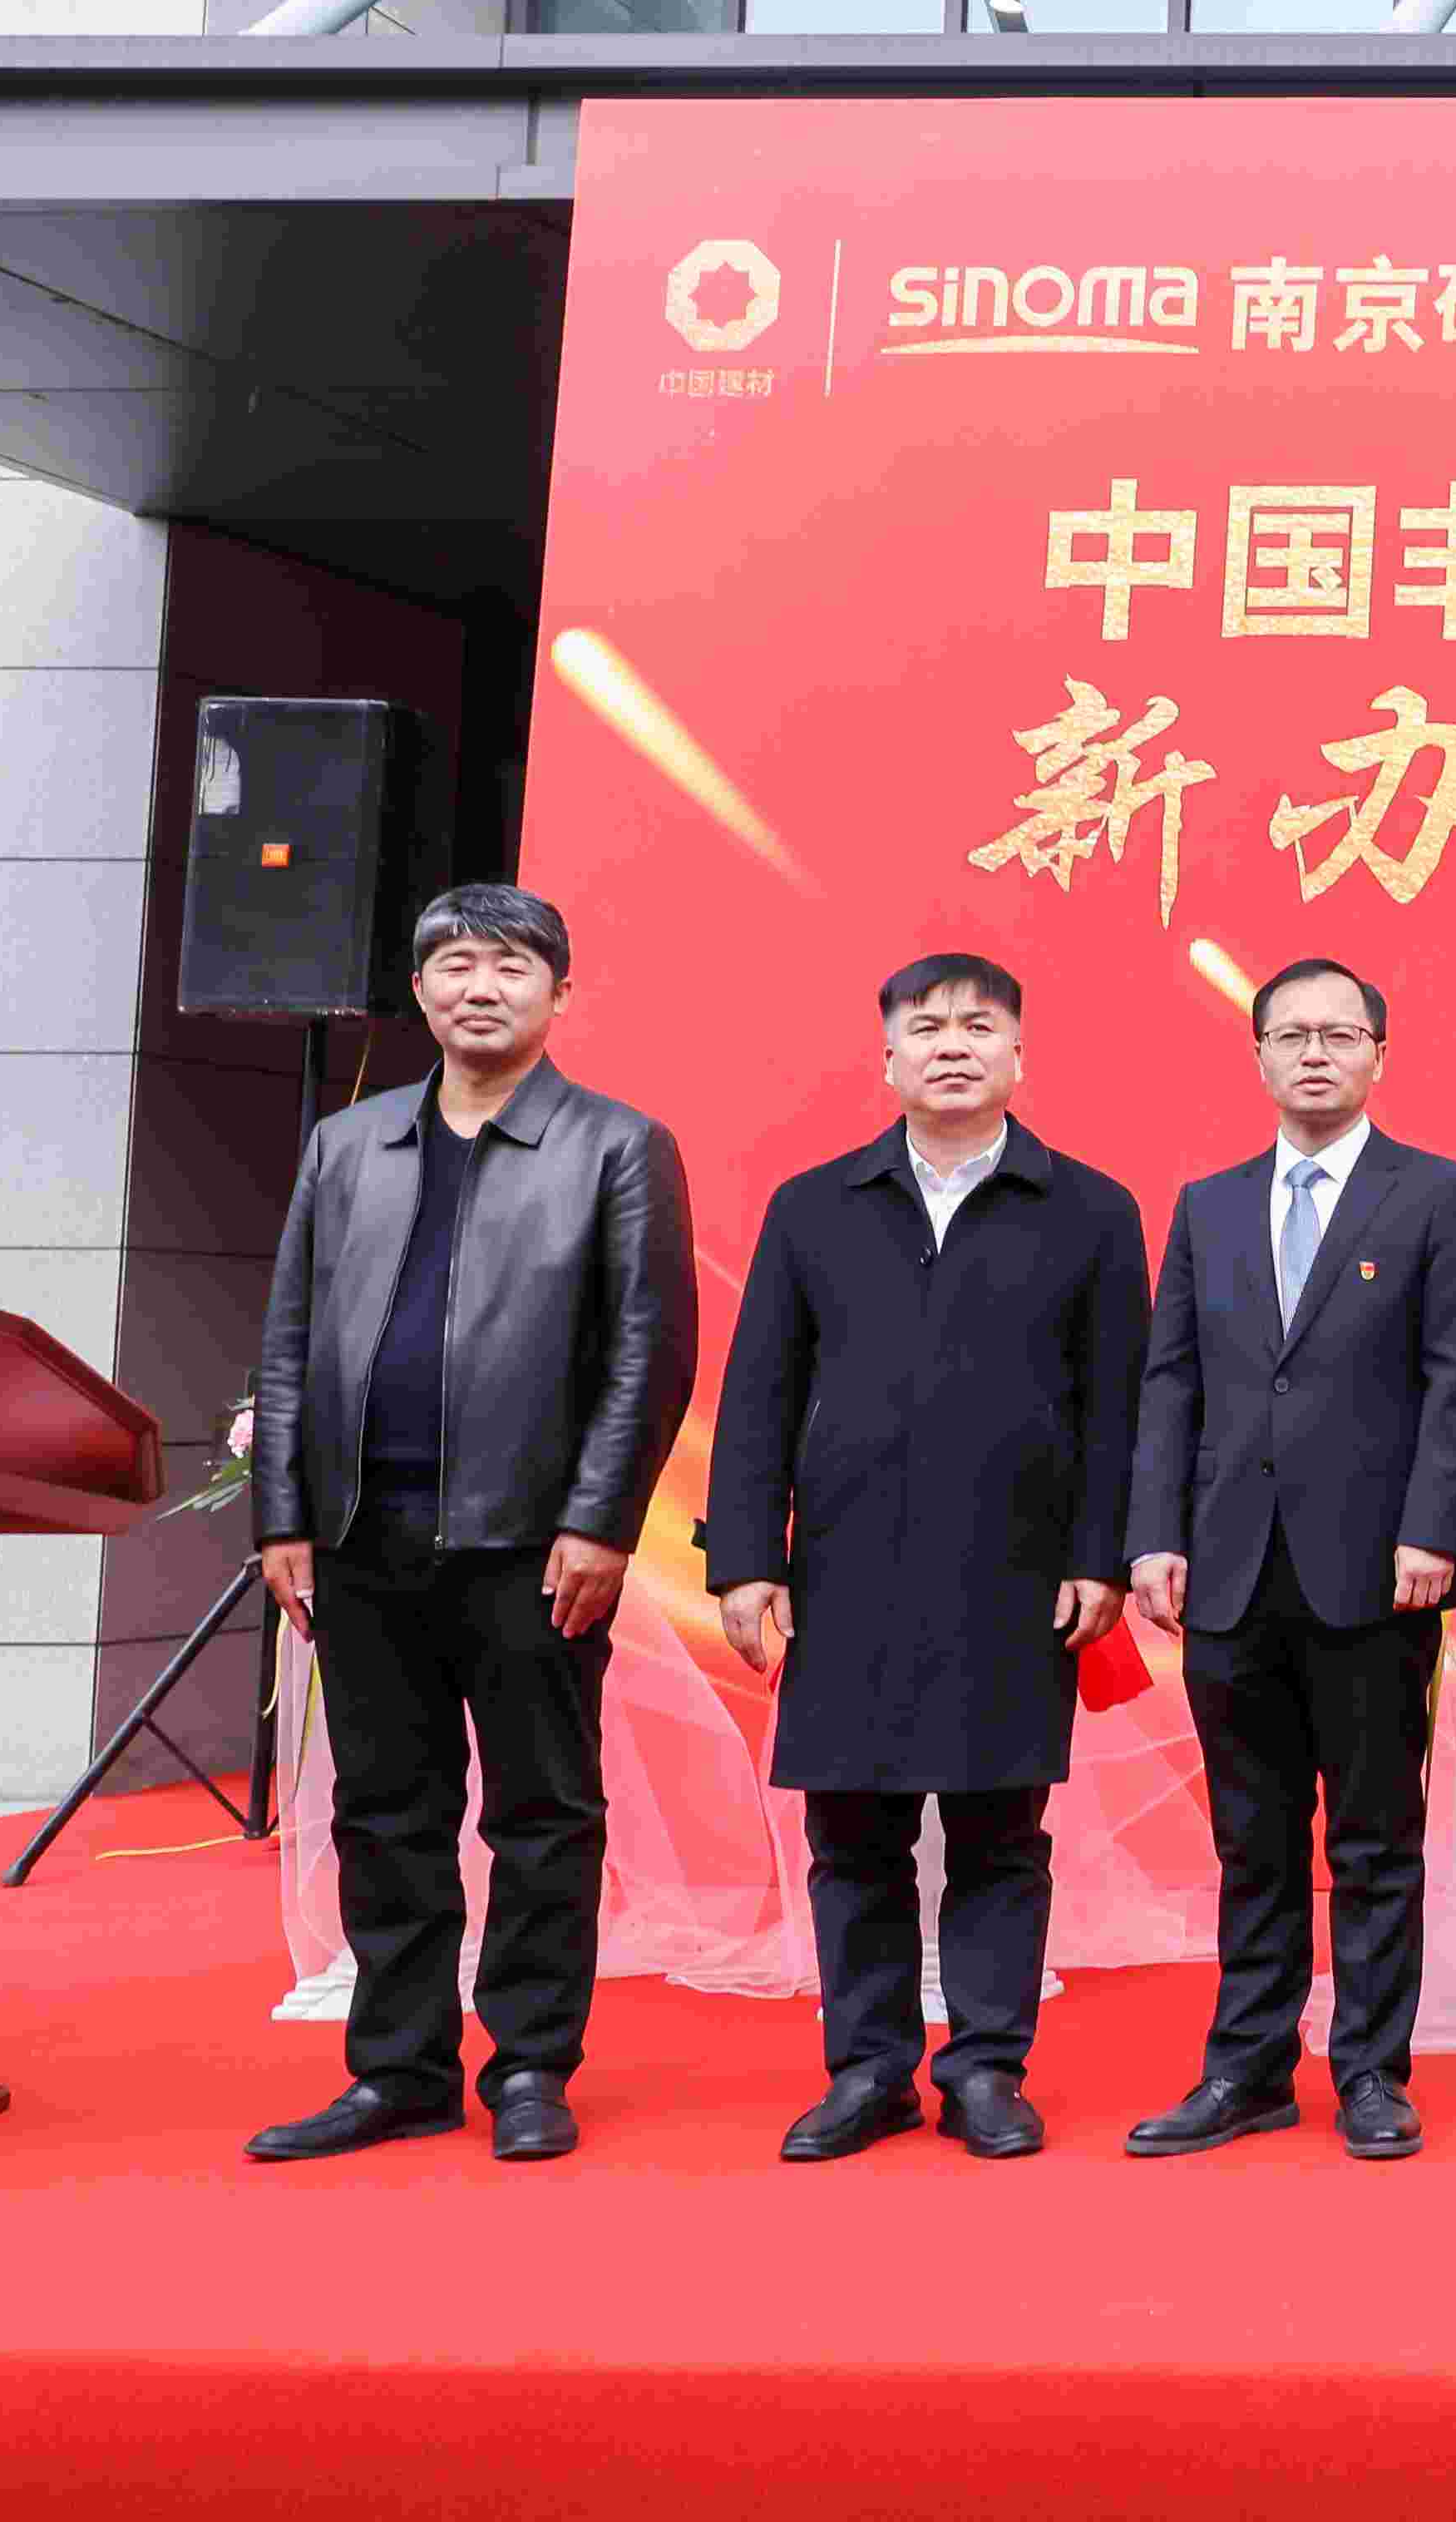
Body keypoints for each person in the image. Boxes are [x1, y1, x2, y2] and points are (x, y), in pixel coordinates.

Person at [243, 883, 696, 2167]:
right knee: (385, 1811)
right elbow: (289, 1338)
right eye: (453, 963)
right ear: (420, 989)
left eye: (508, 964)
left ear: (560, 993)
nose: (478, 985)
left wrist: (602, 1521)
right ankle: (400, 2069)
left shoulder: (616, 1145)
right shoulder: (348, 1146)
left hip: (531, 1543)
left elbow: (650, 1353)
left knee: (543, 1812)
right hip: (360, 1534)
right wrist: (283, 1513)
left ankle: (533, 2062)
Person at [708, 952, 1147, 2164]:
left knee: (1002, 1830)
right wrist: (746, 1558)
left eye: (979, 1025)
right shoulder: (814, 1205)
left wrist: (1101, 1555)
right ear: (888, 1056)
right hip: (844, 1569)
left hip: (1017, 1570)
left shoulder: (1091, 1209)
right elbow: (758, 1395)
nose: (953, 1044)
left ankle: (988, 2068)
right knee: (853, 1832)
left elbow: (1118, 1403)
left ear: (1019, 1054)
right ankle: (869, 2070)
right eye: (928, 1026)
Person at [1121, 957, 1456, 2164]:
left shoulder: (1438, 1195)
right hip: (1230, 1566)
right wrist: (1154, 1534)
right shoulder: (1209, 1205)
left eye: (1341, 1034)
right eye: (1292, 1035)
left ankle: (1373, 2072)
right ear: (1259, 1057)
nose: (1316, 1054)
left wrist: (1434, 1526)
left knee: (1376, 1835)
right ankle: (1247, 2068)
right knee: (1253, 1837)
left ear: (1381, 1053)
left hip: (1378, 1568)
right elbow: (1171, 1380)